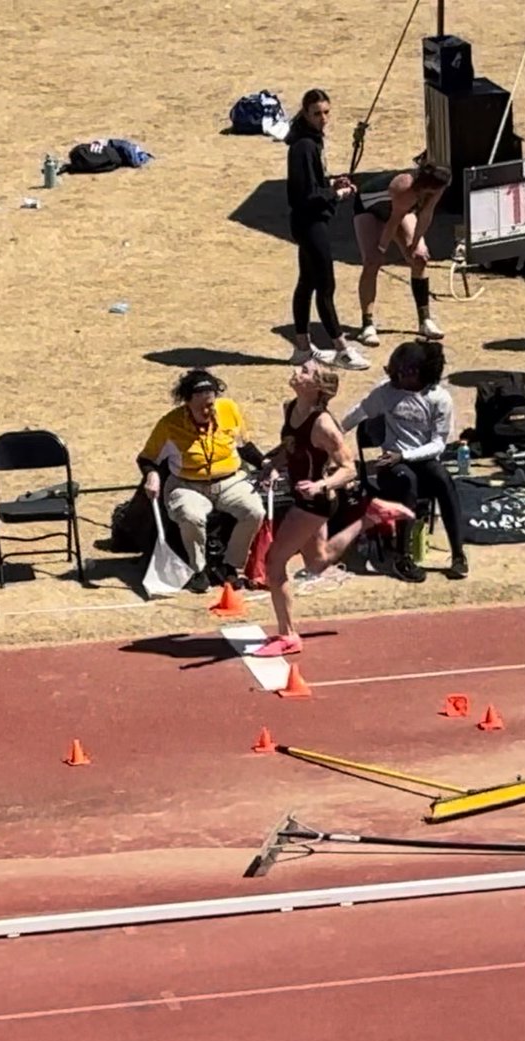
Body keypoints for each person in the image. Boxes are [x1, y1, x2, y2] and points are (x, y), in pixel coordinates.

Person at [253, 361, 414, 657]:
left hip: (315, 502)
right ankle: (369, 518)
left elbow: (348, 468)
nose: (297, 372)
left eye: (305, 372)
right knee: (318, 562)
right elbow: (291, 447)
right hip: (304, 496)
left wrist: (322, 485)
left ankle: (288, 635)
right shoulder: (290, 408)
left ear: (317, 387)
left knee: (274, 562)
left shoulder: (324, 425)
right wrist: (273, 466)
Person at [341, 341, 469, 582]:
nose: (395, 378)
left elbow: (439, 444)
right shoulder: (386, 392)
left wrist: (407, 455)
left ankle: (458, 554)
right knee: (406, 480)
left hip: (421, 459)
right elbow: (360, 412)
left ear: (417, 374)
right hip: (392, 465)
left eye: (401, 373)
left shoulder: (439, 399)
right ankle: (402, 557)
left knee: (443, 479)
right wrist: (334, 434)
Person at [138, 369, 265, 594]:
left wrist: (266, 465)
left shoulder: (229, 410)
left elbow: (244, 446)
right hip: (187, 485)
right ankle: (199, 569)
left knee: (254, 510)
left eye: (211, 404)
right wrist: (152, 475)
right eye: (201, 407)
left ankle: (231, 566)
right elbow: (147, 458)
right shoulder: (169, 425)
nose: (208, 411)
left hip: (231, 481)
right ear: (187, 403)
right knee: (191, 515)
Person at [286, 88, 370, 372]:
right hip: (310, 224)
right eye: (317, 113)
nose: (323, 119)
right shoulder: (303, 147)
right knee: (325, 286)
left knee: (307, 282)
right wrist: (337, 195)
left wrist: (331, 184)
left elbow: (313, 186)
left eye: (326, 112)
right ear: (306, 113)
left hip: (309, 221)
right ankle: (341, 349)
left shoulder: (310, 143)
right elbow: (304, 196)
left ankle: (301, 346)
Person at [353, 159, 452, 347]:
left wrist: (416, 244)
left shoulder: (438, 185)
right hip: (370, 209)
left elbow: (425, 214)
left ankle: (425, 320)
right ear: (424, 185)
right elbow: (393, 222)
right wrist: (381, 248)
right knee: (372, 261)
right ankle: (367, 324)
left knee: (420, 258)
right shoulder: (404, 186)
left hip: (400, 211)